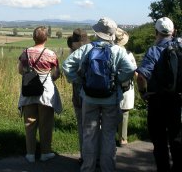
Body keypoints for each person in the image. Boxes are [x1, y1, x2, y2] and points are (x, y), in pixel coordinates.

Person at [62, 17, 136, 172]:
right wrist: (117, 81)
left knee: (89, 134)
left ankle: (87, 167)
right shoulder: (118, 50)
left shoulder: (87, 49)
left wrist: (79, 81)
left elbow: (67, 65)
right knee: (108, 135)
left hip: (88, 97)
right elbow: (129, 70)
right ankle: (107, 168)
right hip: (111, 98)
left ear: (97, 32)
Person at [136, 17, 182, 172]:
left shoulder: (154, 50)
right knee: (177, 138)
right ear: (173, 31)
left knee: (160, 141)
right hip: (177, 99)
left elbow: (141, 76)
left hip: (157, 101)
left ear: (156, 32)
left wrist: (143, 92)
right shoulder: (180, 47)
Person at [18, 26, 62, 163]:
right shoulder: (51, 54)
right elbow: (56, 73)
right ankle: (45, 152)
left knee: (29, 123)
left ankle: (30, 154)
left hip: (29, 89)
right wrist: (48, 78)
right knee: (46, 123)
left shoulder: (25, 52)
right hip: (46, 91)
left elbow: (20, 70)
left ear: (33, 37)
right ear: (46, 38)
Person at [66, 28, 90, 164]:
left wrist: (77, 81)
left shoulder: (73, 54)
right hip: (95, 91)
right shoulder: (92, 50)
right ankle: (97, 156)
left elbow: (67, 70)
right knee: (95, 126)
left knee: (82, 125)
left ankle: (85, 156)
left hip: (78, 93)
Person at [115, 28, 137, 146]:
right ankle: (123, 138)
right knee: (125, 113)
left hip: (113, 86)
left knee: (109, 112)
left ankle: (106, 136)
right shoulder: (129, 54)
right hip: (127, 87)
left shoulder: (110, 53)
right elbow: (135, 71)